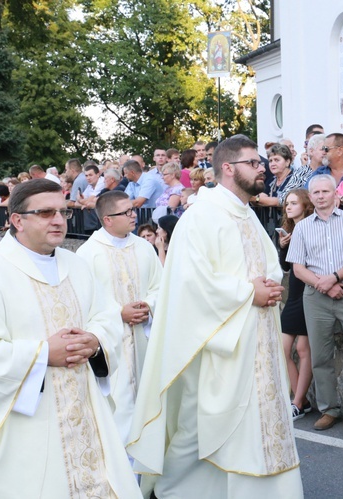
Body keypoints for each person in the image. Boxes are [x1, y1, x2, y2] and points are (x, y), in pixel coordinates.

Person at [0, 179, 141, 498]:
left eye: (63, 212)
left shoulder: (77, 266)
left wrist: (95, 341)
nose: (58, 220)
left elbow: (107, 316)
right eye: (45, 212)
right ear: (18, 220)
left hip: (87, 420)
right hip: (26, 432)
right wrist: (44, 354)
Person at [127, 135, 302, 498]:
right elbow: (191, 282)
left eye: (261, 162)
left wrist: (268, 287)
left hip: (257, 340)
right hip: (221, 345)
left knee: (258, 425)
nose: (262, 169)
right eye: (253, 163)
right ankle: (175, 489)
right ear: (227, 168)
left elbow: (266, 265)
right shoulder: (201, 216)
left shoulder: (247, 214)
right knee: (204, 423)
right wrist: (246, 292)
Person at [287, 174, 343, 432]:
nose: (320, 196)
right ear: (311, 197)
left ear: (335, 194)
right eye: (315, 192)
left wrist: (335, 279)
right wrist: (323, 285)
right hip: (316, 297)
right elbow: (297, 268)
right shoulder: (303, 227)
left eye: (325, 191)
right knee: (320, 355)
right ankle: (329, 409)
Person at [76, 190, 162, 443]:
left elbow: (161, 287)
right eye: (126, 212)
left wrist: (148, 306)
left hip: (145, 340)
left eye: (132, 209)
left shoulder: (144, 247)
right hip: (112, 343)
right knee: (118, 405)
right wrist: (119, 313)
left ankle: (146, 468)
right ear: (108, 220)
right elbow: (84, 301)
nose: (133, 215)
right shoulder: (87, 254)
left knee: (147, 402)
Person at [277, 189, 315, 420]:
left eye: (293, 203)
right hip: (294, 293)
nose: (288, 207)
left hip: (310, 290)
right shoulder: (288, 230)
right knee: (283, 349)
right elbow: (286, 266)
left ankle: (298, 402)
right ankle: (302, 400)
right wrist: (283, 246)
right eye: (286, 204)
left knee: (303, 349)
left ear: (305, 204)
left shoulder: (313, 226)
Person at [254, 144, 306, 208]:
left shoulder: (295, 178)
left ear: (287, 162)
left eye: (276, 160)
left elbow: (279, 201)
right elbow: (261, 197)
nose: (273, 164)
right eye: (270, 161)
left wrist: (254, 199)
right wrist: (259, 199)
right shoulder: (271, 180)